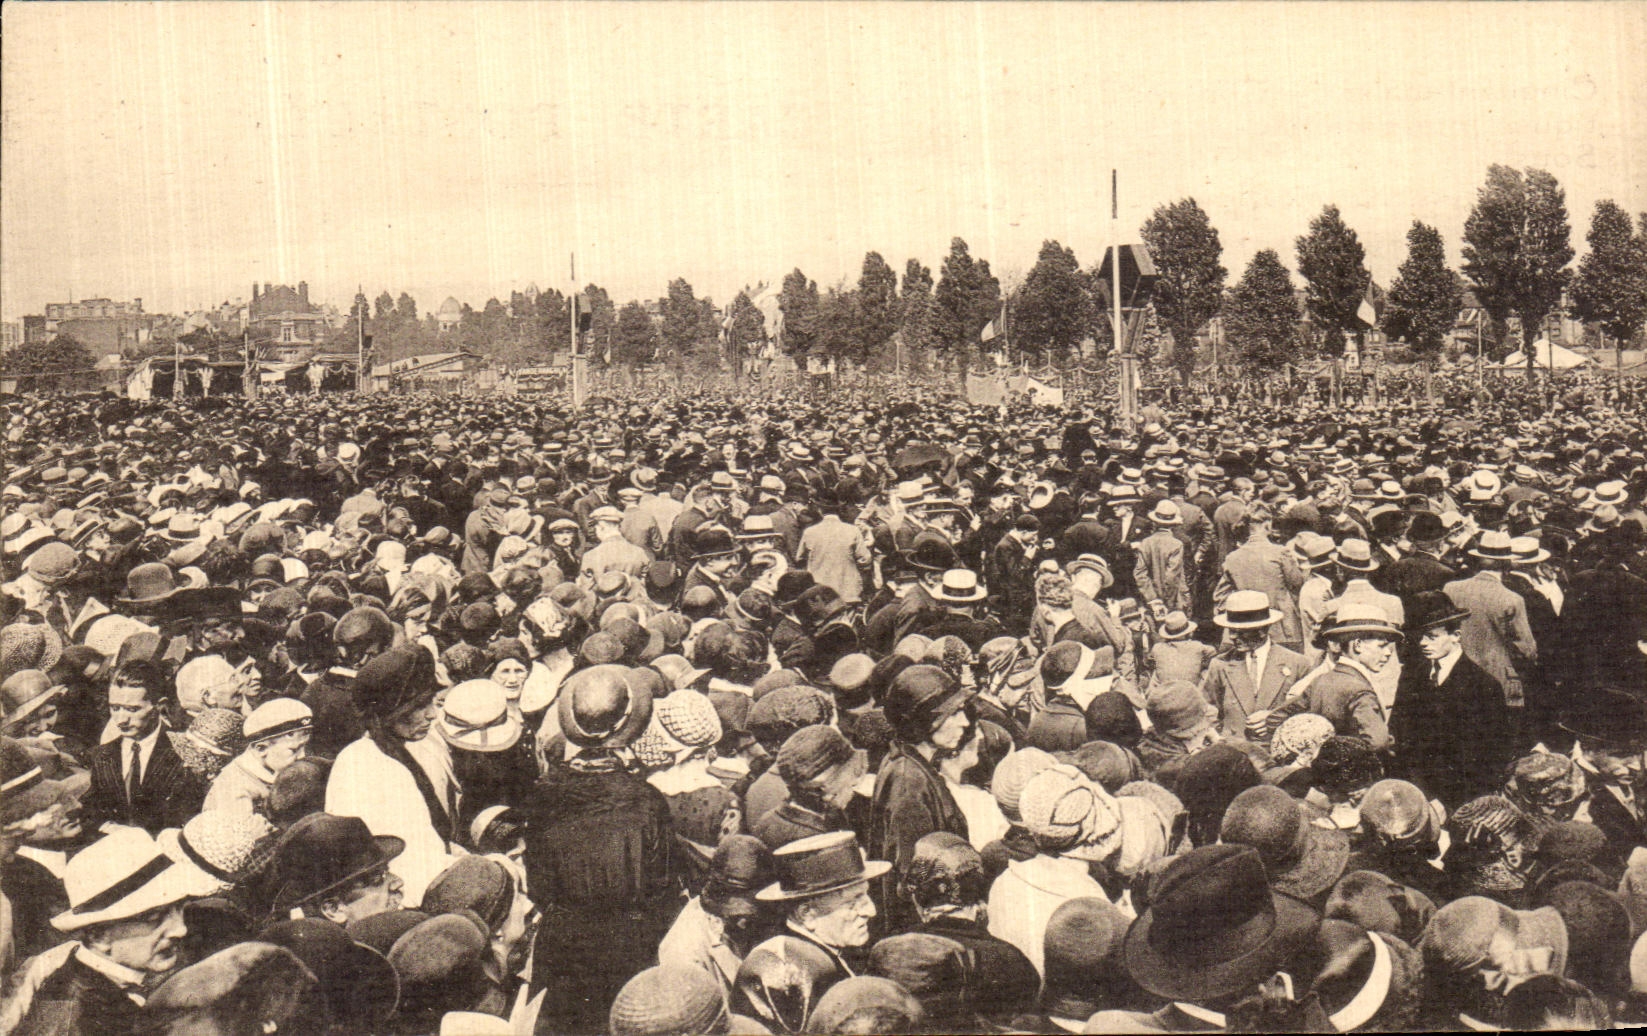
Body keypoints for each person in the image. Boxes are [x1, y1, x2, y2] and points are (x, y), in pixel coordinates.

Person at [525, 664, 676, 1035]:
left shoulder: (545, 792)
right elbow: (661, 887)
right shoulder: (647, 799)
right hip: (628, 945)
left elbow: (538, 883)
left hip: (563, 944)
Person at [2, 827, 221, 1036]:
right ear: (99, 936)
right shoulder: (75, 1016)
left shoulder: (102, 985)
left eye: (179, 909)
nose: (180, 930)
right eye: (154, 918)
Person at [325, 645, 459, 907]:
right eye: (419, 706)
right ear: (388, 713)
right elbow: (415, 868)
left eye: (432, 701)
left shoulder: (414, 746)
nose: (432, 714)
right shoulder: (369, 768)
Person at [870, 664, 972, 929]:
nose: (965, 722)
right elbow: (913, 882)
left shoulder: (909, 764)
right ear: (925, 721)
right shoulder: (909, 783)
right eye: (954, 714)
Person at [1390, 591, 1514, 807]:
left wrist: (1447, 804)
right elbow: (1399, 733)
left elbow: (1490, 758)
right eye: (1419, 636)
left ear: (1456, 636)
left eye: (1431, 636)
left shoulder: (1483, 686)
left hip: (1461, 800)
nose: (1422, 643)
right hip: (1417, 796)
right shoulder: (1412, 675)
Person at [79, 659, 207, 834]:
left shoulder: (186, 754)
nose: (121, 720)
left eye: (132, 710)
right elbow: (88, 813)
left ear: (160, 707)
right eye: (115, 708)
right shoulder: (99, 757)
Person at [751, 830, 890, 979]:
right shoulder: (807, 974)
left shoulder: (815, 955)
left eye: (865, 897)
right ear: (807, 914)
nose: (871, 911)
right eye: (852, 904)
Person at [1268, 604, 1397, 752]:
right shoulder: (1359, 689)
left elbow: (1275, 719)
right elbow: (1378, 742)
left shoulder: (1320, 680)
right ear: (1358, 645)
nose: (1388, 653)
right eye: (1382, 646)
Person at [1201, 590, 1308, 738]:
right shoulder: (1220, 664)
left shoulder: (1297, 664)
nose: (1232, 637)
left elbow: (1307, 715)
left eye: (1240, 631)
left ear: (1263, 630)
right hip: (1233, 753)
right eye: (1231, 630)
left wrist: (1276, 719)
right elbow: (1206, 710)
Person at [203, 697, 312, 816]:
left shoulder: (274, 769)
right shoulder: (233, 787)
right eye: (294, 750)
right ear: (261, 749)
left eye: (304, 747)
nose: (302, 756)